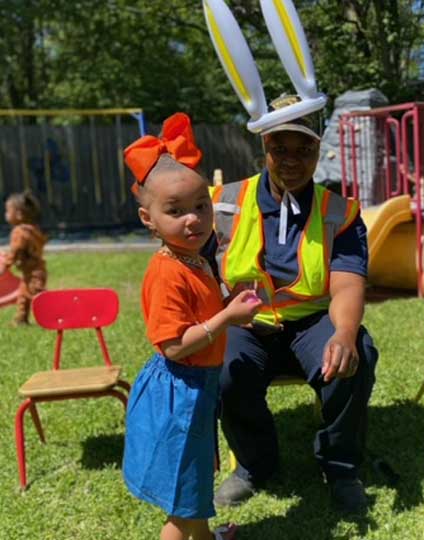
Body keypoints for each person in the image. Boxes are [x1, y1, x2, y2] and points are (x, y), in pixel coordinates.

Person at [208, 95, 379, 514]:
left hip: (311, 324)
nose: (291, 160)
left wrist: (343, 334)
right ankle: (255, 465)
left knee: (355, 356)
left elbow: (346, 284)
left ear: (319, 150)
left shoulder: (339, 212)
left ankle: (340, 467)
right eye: (279, 148)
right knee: (224, 367)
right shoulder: (223, 202)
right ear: (263, 146)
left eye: (304, 150)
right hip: (246, 325)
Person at [121, 113, 261, 540]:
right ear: (149, 219)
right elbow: (176, 345)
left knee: (192, 489)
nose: (193, 220)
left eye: (201, 206)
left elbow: (198, 310)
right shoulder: (167, 272)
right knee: (180, 508)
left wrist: (228, 296)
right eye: (175, 211)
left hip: (196, 388)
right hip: (178, 392)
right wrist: (227, 318)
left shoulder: (193, 257)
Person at [0, 190, 47, 325]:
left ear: (19, 215)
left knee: (38, 296)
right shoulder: (33, 229)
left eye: (8, 211)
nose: (6, 214)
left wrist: (6, 264)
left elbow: (16, 250)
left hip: (33, 272)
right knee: (23, 296)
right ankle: (21, 320)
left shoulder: (19, 232)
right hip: (36, 270)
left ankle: (53, 314)